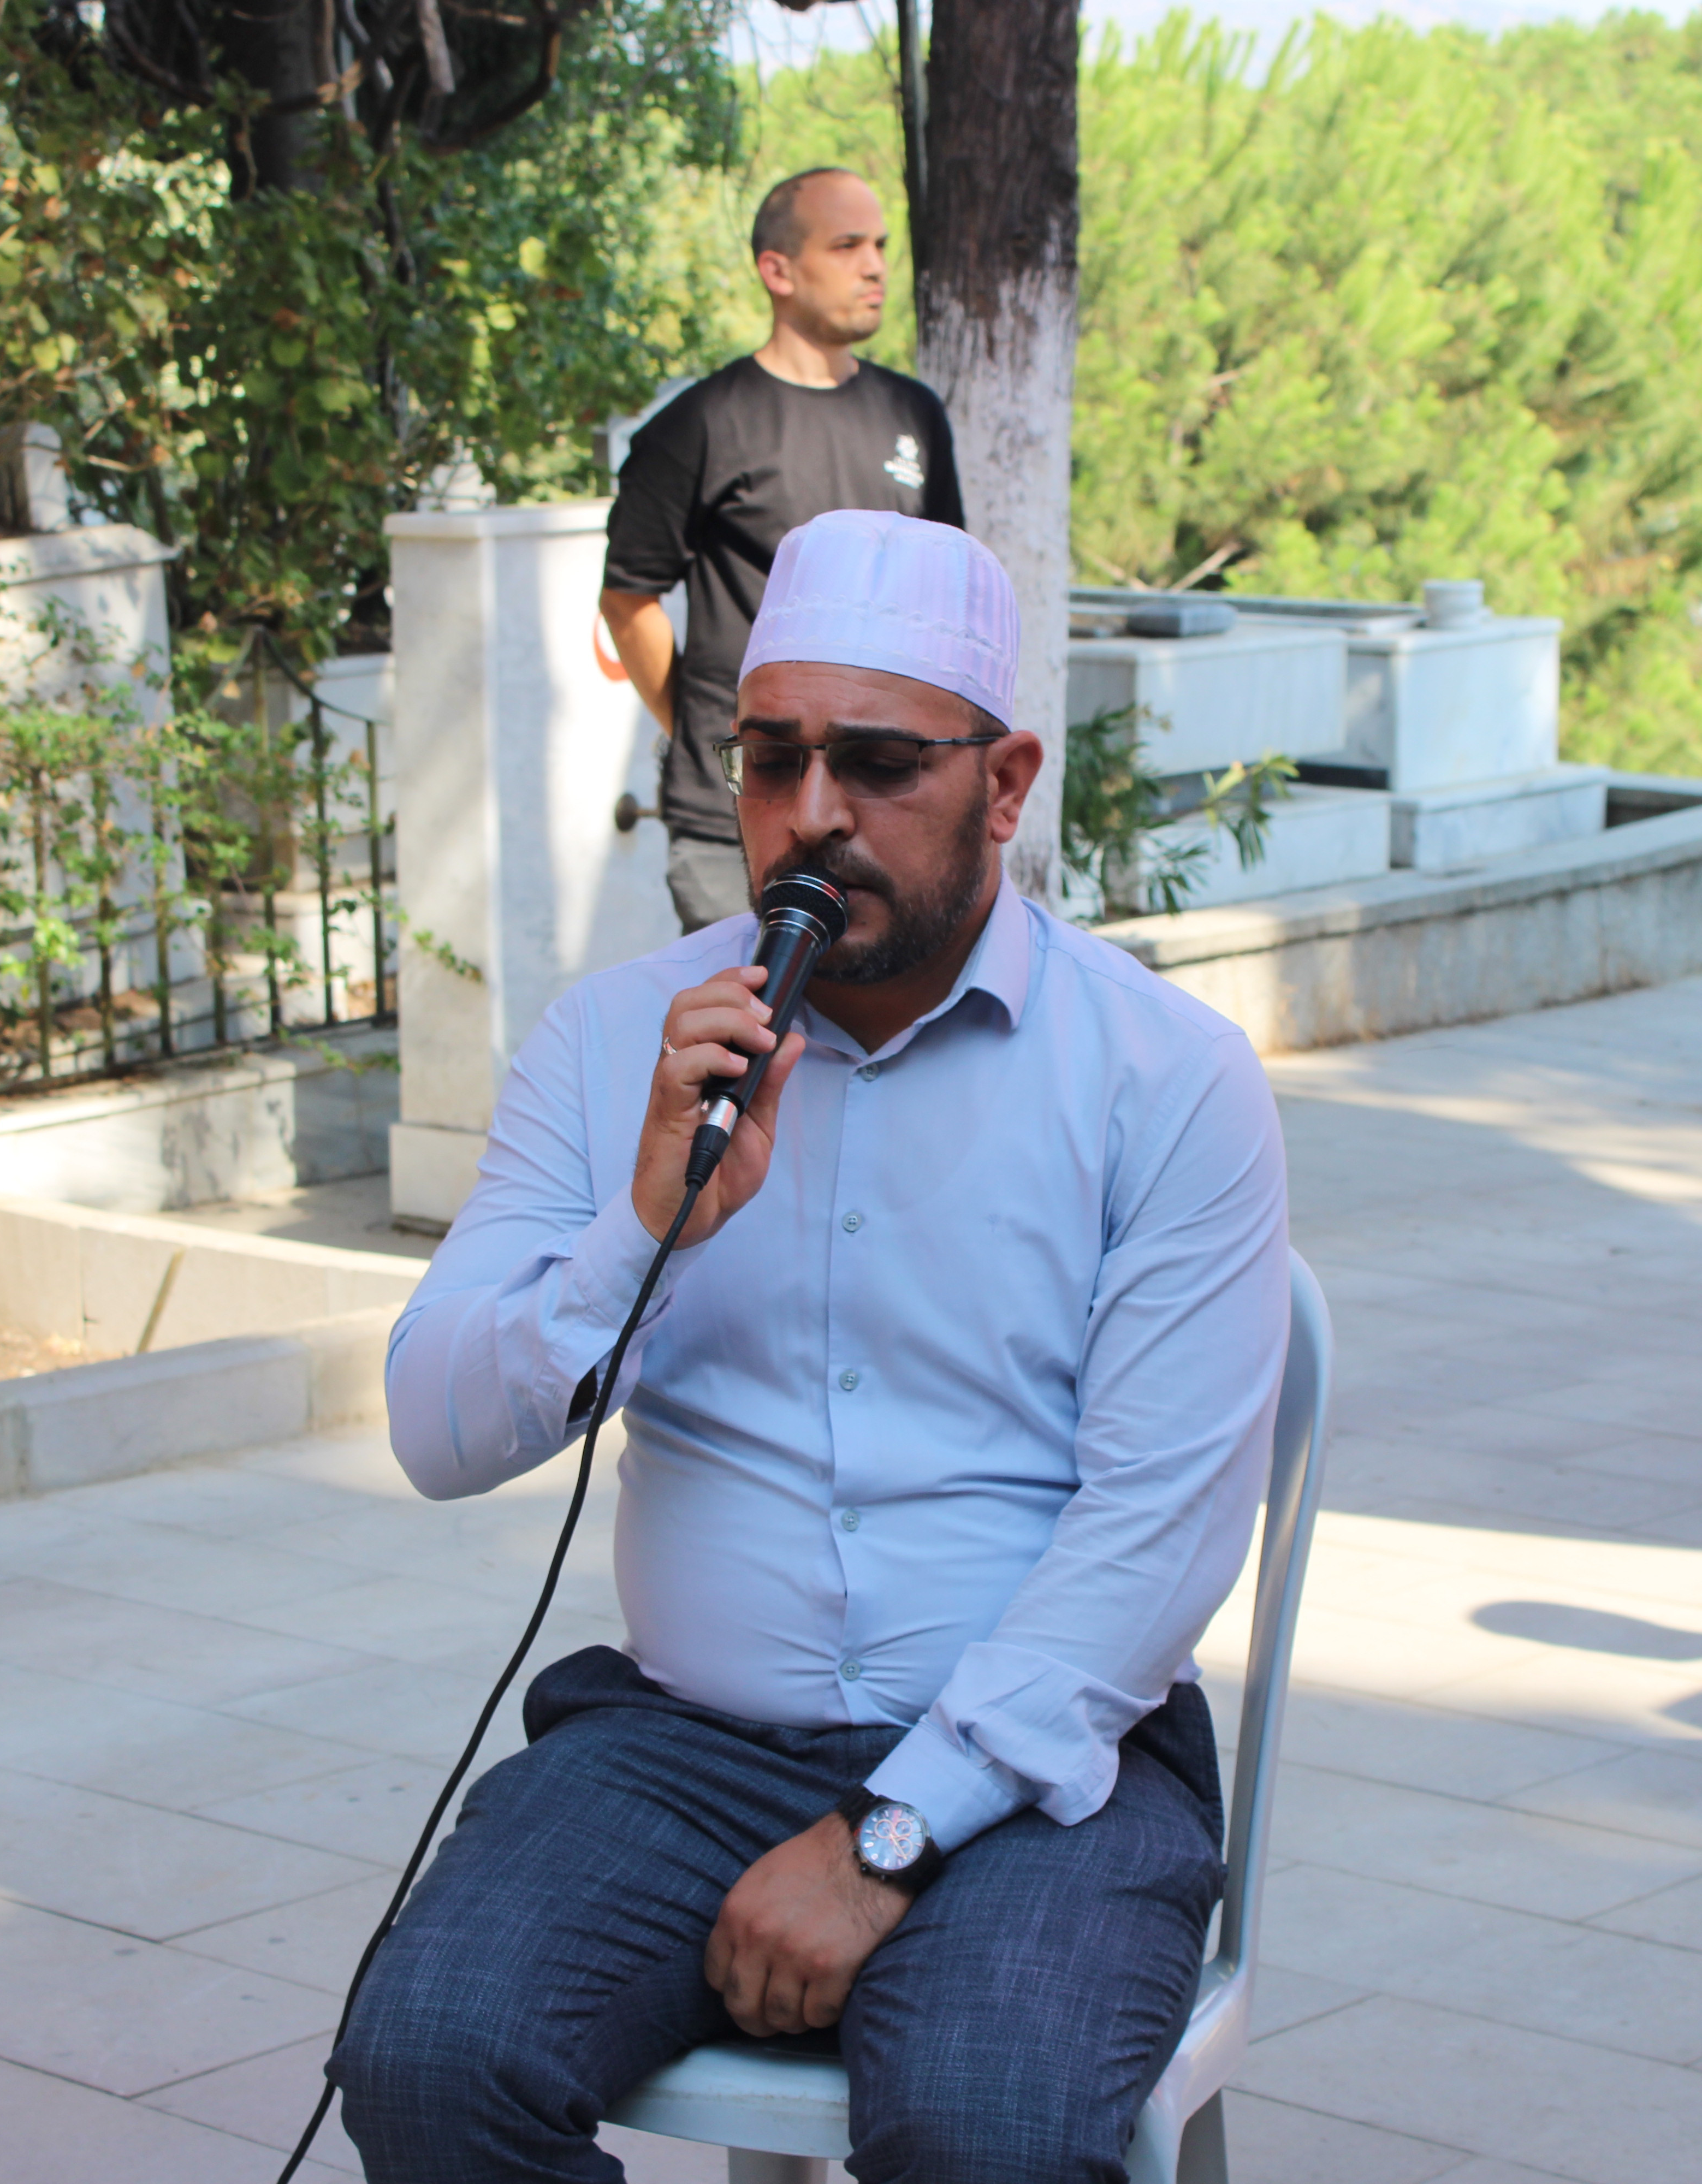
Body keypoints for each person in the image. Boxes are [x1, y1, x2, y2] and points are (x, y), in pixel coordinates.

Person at [336, 511, 1291, 2184]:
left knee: (990, 2132)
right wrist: (645, 1226)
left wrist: (882, 1842)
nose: (814, 814)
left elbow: (1158, 1533)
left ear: (1006, 784)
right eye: (772, 760)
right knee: (430, 2053)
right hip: (681, 1745)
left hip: (1044, 1766)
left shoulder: (1168, 1078)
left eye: (880, 764)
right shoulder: (617, 1046)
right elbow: (435, 1431)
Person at [602, 167, 964, 934]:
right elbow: (629, 599)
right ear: (778, 270)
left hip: (884, 809)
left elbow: (942, 600)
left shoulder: (914, 415)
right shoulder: (701, 424)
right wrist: (712, 734)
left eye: (880, 245)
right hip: (737, 820)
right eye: (847, 246)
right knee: (761, 1005)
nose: (875, 266)